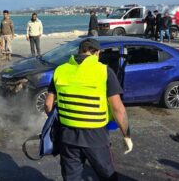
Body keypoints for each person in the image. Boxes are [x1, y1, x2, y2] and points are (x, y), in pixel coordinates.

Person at [44, 38, 132, 181]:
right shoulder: (104, 71)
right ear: (97, 53)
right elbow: (118, 109)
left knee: (71, 177)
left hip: (67, 136)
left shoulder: (60, 70)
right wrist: (126, 135)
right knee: (107, 175)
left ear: (79, 51)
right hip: (96, 136)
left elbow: (48, 105)